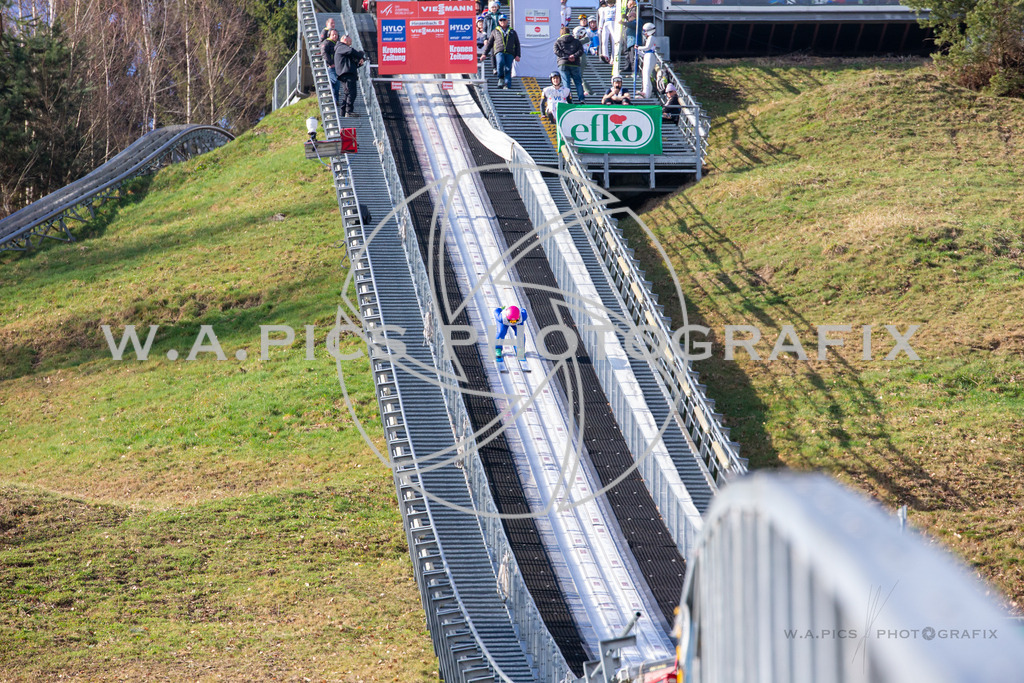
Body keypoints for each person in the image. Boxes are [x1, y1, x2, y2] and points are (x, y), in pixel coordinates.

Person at [482, 15, 520, 89]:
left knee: (508, 68)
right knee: (500, 62)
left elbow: (517, 44)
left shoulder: (512, 31)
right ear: (499, 22)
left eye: (504, 20)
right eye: (501, 20)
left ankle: (507, 84)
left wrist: (517, 55)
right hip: (499, 51)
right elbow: (489, 43)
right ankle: (501, 78)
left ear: (507, 21)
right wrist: (484, 54)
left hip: (510, 52)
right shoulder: (495, 31)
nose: (503, 22)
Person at [335, 34, 365, 117]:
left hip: (347, 73)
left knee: (347, 93)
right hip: (346, 74)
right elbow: (351, 51)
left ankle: (343, 111)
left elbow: (351, 63)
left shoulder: (344, 50)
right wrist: (360, 55)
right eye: (350, 41)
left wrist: (359, 62)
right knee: (352, 93)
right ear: (344, 40)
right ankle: (349, 111)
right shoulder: (341, 47)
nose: (350, 44)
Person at [554, 26, 585, 103]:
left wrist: (566, 56)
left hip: (563, 63)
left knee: (566, 82)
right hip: (575, 63)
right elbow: (581, 50)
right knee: (578, 82)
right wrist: (573, 56)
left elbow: (556, 51)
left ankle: (568, 100)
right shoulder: (576, 41)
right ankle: (581, 99)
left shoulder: (558, 42)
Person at [635, 22, 657, 98]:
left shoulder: (651, 38)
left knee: (646, 74)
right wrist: (638, 52)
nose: (644, 33)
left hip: (650, 55)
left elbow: (647, 47)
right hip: (648, 55)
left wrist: (639, 47)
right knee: (644, 74)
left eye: (645, 31)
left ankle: (646, 93)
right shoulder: (649, 38)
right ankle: (645, 91)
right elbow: (645, 53)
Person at [320, 29, 341, 108]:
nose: (335, 36)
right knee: (333, 82)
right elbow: (324, 53)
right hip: (331, 67)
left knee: (337, 85)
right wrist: (330, 63)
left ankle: (336, 100)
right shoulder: (327, 42)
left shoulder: (337, 43)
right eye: (333, 35)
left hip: (338, 67)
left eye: (336, 35)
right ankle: (332, 99)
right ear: (329, 35)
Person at [481, 1, 502, 74]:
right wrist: (485, 38)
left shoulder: (500, 15)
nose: (494, 9)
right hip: (491, 36)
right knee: (493, 52)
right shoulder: (487, 17)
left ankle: (500, 67)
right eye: (492, 7)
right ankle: (494, 68)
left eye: (495, 7)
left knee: (499, 52)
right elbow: (484, 29)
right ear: (490, 8)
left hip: (499, 35)